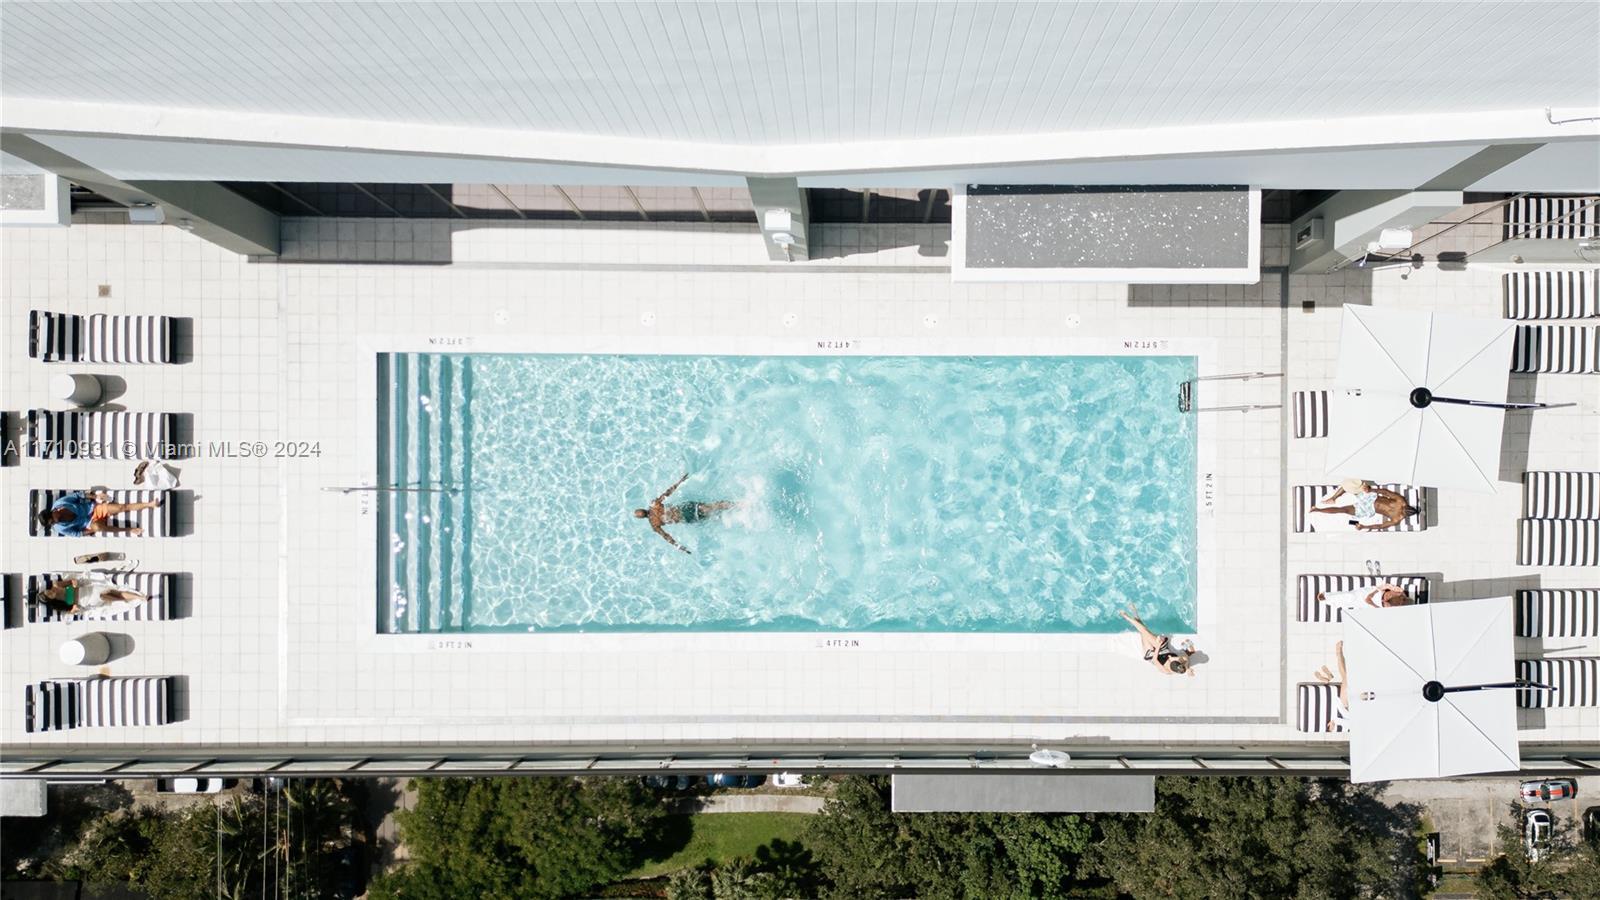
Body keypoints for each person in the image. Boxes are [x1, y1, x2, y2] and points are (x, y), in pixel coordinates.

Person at [633, 474, 736, 555]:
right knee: (711, 507)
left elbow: (666, 537)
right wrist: (679, 482)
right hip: (685, 508)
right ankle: (736, 506)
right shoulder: (654, 505)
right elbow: (667, 493)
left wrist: (679, 546)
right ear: (643, 509)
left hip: (686, 518)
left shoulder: (654, 524)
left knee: (712, 516)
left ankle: (734, 514)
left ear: (642, 518)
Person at [35, 490, 161, 537]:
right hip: (89, 522)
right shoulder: (59, 528)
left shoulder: (60, 503)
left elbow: (79, 495)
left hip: (93, 509)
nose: (55, 522)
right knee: (98, 527)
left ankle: (150, 504)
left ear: (53, 512)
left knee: (121, 507)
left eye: (53, 520)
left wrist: (96, 496)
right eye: (52, 523)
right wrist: (92, 530)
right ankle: (129, 529)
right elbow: (78, 533)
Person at [1310, 478, 1419, 531]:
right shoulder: (1401, 501)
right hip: (1371, 497)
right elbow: (1386, 492)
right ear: (1407, 506)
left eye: (1403, 512)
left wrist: (1364, 527)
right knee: (1353, 484)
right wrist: (1371, 490)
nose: (1402, 509)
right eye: (1404, 508)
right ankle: (1333, 498)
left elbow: (1380, 526)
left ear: (1405, 515)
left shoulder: (1397, 519)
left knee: (1343, 510)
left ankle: (1317, 510)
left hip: (1368, 509)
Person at [1118, 605, 1197, 677]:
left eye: (1172, 662)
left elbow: (1155, 660)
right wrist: (1188, 668)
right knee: (1145, 632)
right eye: (1175, 660)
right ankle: (1127, 616)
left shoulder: (1166, 671)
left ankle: (1133, 614)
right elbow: (1188, 655)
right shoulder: (1183, 660)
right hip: (1163, 649)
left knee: (1143, 633)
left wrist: (1158, 646)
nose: (1170, 657)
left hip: (1152, 654)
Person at [33, 574, 146, 616]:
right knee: (103, 595)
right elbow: (71, 611)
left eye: (49, 591)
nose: (52, 592)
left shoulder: (57, 585)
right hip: (86, 601)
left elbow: (72, 581)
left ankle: (139, 597)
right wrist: (74, 608)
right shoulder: (58, 604)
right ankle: (126, 599)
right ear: (51, 600)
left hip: (89, 590)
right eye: (50, 595)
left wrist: (74, 583)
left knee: (111, 592)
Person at [1313, 640, 1352, 732]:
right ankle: (1338, 654)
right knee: (1346, 676)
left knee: (1346, 677)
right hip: (1358, 698)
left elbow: (1344, 721)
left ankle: (1338, 653)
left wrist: (1334, 722)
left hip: (1347, 704)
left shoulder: (1357, 725)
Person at [1317, 582, 1412, 613]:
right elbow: (1385, 586)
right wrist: (1374, 592)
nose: (1402, 600)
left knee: (1349, 600)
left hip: (1372, 602)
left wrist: (1375, 606)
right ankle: (1327, 597)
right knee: (1349, 596)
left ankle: (1328, 599)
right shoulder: (1399, 592)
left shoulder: (1396, 606)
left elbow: (1369, 602)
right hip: (1372, 594)